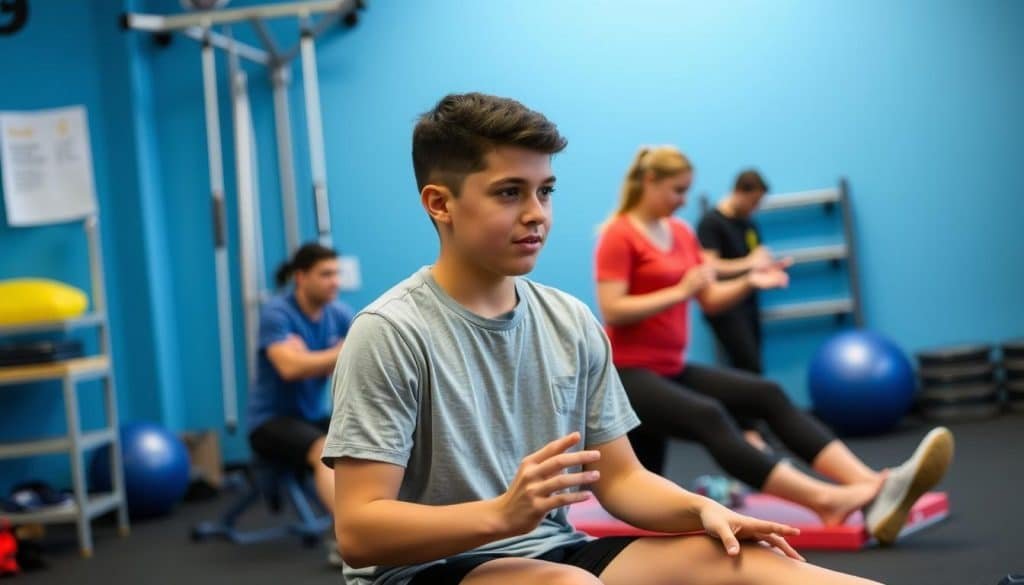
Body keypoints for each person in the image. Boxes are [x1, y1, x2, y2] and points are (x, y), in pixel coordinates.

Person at [322, 93, 881, 585]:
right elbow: (360, 531)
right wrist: (501, 515)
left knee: (756, 564)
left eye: (545, 191)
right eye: (509, 193)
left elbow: (623, 480)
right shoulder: (390, 332)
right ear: (440, 203)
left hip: (554, 551)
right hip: (424, 570)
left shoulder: (569, 320)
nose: (536, 214)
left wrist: (700, 511)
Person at [593, 145, 953, 546]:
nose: (682, 200)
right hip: (625, 374)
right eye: (677, 190)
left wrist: (749, 281)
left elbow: (709, 299)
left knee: (767, 393)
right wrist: (679, 291)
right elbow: (614, 309)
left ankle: (873, 484)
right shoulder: (618, 234)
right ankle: (826, 501)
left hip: (671, 367)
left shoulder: (680, 232)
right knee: (709, 415)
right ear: (649, 181)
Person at [247, 243, 353, 529]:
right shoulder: (277, 313)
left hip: (311, 417)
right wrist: (339, 352)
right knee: (325, 449)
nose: (335, 282)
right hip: (269, 422)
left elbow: (361, 360)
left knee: (371, 439)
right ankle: (353, 537)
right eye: (326, 274)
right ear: (301, 277)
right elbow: (290, 368)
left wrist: (310, 358)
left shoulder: (339, 313)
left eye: (337, 274)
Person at [696, 169, 776, 375]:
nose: (755, 207)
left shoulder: (749, 223)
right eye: (753, 201)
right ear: (739, 192)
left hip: (748, 302)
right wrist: (749, 263)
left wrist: (767, 265)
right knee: (748, 366)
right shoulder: (711, 223)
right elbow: (710, 265)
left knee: (754, 366)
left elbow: (756, 256)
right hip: (726, 305)